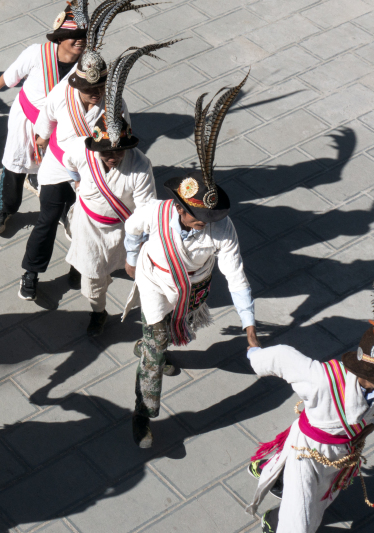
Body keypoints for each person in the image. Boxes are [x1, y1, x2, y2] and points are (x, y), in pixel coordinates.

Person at [245, 218, 374, 533]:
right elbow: (282, 357)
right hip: (307, 451)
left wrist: (367, 430)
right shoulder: (322, 379)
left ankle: (277, 491)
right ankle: (283, 504)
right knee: (300, 520)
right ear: (361, 369)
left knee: (322, 499)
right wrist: (254, 352)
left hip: (345, 453)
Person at [122, 72, 260, 448]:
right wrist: (131, 259)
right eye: (201, 217)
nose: (209, 223)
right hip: (155, 280)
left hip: (193, 288)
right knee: (156, 341)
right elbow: (132, 228)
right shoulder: (155, 212)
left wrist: (248, 324)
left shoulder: (223, 229)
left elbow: (236, 276)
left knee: (165, 332)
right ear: (181, 209)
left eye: (212, 217)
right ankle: (143, 412)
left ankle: (152, 346)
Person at [18, 0, 133, 301]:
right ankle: (31, 272)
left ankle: (79, 268)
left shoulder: (116, 104)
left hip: (94, 172)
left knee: (85, 225)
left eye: (100, 88)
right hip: (59, 167)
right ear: (77, 83)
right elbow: (43, 130)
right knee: (47, 219)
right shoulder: (60, 94)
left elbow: (125, 138)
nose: (96, 94)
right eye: (89, 89)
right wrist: (40, 144)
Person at [61, 42, 175, 336]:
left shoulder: (140, 165)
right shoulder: (81, 148)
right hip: (88, 226)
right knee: (92, 282)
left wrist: (134, 256)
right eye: (107, 152)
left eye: (118, 151)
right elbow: (67, 160)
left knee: (127, 270)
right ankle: (97, 313)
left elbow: (146, 211)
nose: (112, 156)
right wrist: (76, 181)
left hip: (122, 229)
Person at [0, 1, 87, 235]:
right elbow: (13, 73)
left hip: (59, 127)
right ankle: (6, 208)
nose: (80, 40)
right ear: (60, 37)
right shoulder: (36, 53)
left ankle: (64, 211)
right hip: (25, 121)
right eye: (74, 35)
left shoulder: (86, 66)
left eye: (83, 36)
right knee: (15, 162)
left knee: (62, 170)